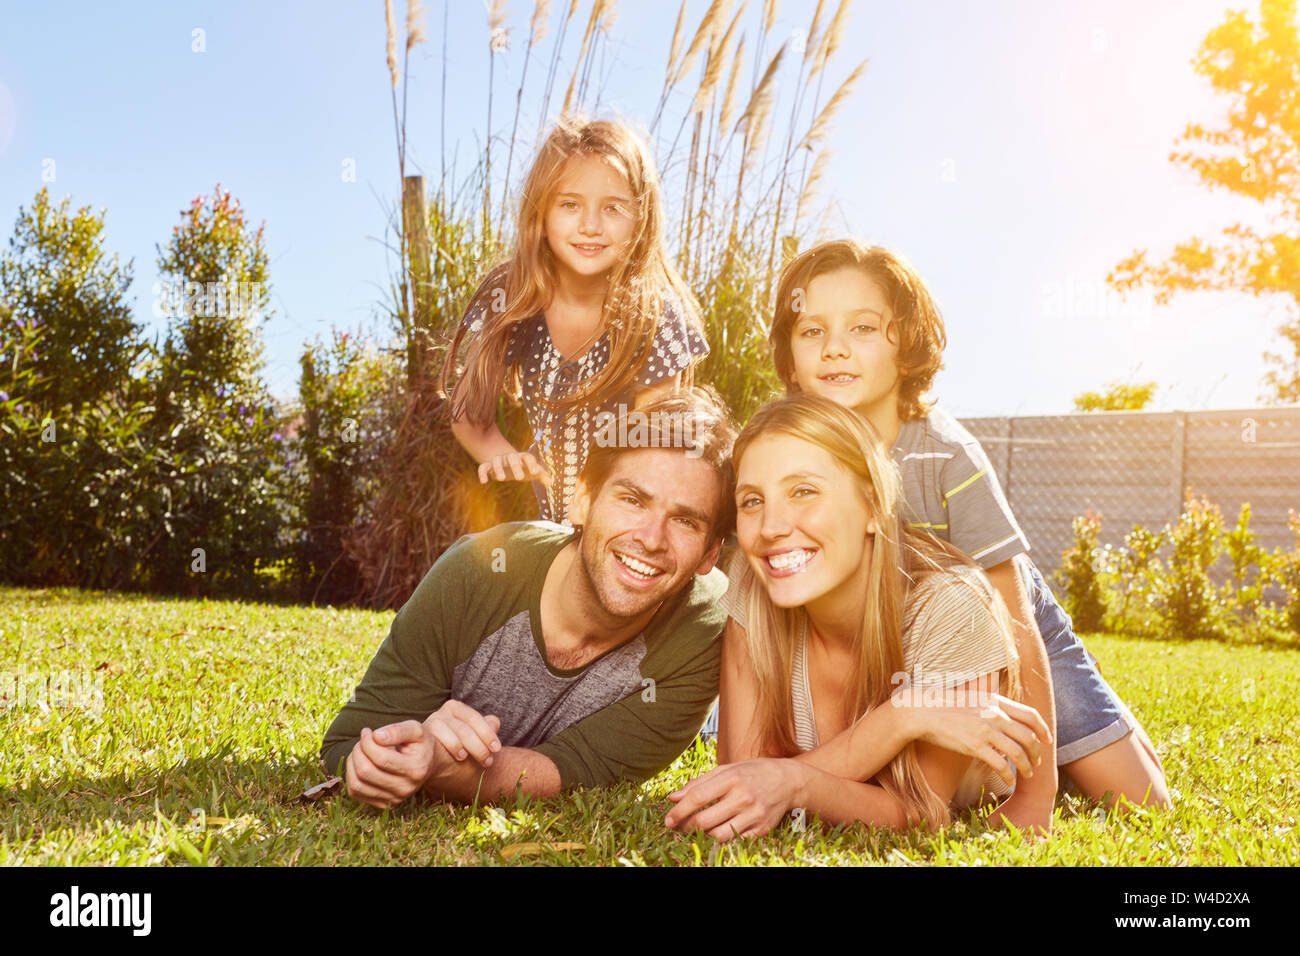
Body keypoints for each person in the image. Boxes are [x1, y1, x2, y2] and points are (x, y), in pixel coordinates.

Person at [764, 239, 1170, 826]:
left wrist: (1034, 796)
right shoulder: (783, 451)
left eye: (862, 328)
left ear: (906, 348)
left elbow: (1013, 616)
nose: (834, 349)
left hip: (1014, 626)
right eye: (811, 332)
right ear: (790, 356)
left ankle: (1083, 740)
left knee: (1141, 801)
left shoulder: (947, 454)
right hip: (908, 641)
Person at [320, 391, 737, 809]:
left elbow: (577, 769)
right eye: (632, 500)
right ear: (582, 499)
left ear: (710, 553)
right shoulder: (474, 572)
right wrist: (390, 758)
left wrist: (440, 768)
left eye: (685, 521)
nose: (651, 538)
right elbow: (347, 744)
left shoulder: (709, 627)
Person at [666, 395, 1047, 839]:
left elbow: (921, 813)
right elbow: (739, 779)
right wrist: (903, 715)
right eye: (752, 501)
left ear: (871, 506)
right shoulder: (754, 585)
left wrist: (793, 781)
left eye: (803, 491)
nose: (770, 527)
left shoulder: (951, 607)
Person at [440, 115, 709, 525]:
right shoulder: (509, 298)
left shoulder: (656, 314)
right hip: (550, 529)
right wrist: (509, 461)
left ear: (641, 217)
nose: (590, 225)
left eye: (613, 208)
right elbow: (468, 416)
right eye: (570, 204)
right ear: (541, 213)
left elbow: (654, 447)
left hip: (629, 526)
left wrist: (598, 512)